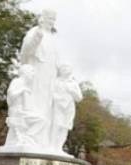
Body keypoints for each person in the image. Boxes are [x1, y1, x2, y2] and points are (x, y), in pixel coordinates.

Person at [19, 9, 58, 148]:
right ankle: (29, 136)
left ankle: (42, 139)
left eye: (53, 20)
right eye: (49, 19)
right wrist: (37, 39)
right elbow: (25, 53)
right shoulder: (34, 32)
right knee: (34, 103)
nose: (51, 22)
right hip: (36, 72)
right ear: (42, 19)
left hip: (49, 76)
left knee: (46, 105)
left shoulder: (53, 38)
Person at [50, 64, 82, 153]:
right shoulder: (55, 81)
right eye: (64, 68)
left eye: (68, 68)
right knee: (56, 125)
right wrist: (56, 98)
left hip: (69, 107)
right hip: (57, 106)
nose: (66, 70)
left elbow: (79, 97)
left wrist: (72, 90)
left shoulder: (72, 83)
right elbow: (50, 93)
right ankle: (52, 146)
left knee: (65, 127)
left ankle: (59, 147)